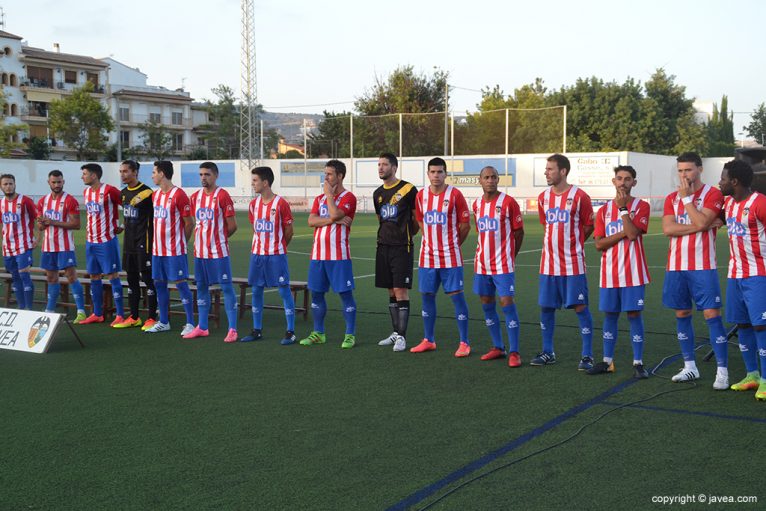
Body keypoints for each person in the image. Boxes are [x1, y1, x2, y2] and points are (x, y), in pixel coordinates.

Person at [662, 152, 728, 389]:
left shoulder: (713, 194)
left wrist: (689, 202)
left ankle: (722, 370)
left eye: (688, 170)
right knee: (681, 314)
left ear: (700, 169)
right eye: (680, 171)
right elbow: (668, 229)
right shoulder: (672, 197)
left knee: (712, 315)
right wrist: (701, 223)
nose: (684, 175)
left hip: (703, 267)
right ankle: (690, 366)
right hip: (676, 267)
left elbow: (702, 223)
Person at [587, 166, 650, 379]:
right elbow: (599, 244)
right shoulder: (603, 211)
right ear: (614, 181)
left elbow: (633, 235)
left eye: (628, 179)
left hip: (634, 272)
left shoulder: (641, 206)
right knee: (610, 315)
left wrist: (624, 210)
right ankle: (607, 361)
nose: (623, 182)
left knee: (633, 315)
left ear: (634, 183)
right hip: (610, 273)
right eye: (620, 178)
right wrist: (624, 230)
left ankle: (638, 363)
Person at [532, 153, 595, 369]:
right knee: (546, 308)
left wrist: (573, 244)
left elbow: (588, 226)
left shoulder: (580, 197)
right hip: (548, 265)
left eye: (550, 169)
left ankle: (587, 356)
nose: (546, 173)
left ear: (563, 171)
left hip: (573, 265)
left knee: (580, 307)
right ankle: (548, 352)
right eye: (546, 169)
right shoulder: (543, 198)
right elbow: (546, 225)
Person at [411, 157, 472, 356]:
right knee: (427, 296)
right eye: (433, 172)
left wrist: (452, 244)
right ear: (428, 174)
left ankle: (464, 342)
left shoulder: (455, 195)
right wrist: (431, 241)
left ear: (446, 174)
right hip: (427, 257)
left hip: (450, 257)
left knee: (457, 297)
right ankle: (429, 339)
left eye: (440, 172)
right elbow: (420, 221)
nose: (436, 175)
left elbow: (465, 226)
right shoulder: (421, 196)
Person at [718, 159, 766, 400]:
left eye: (723, 179)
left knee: (761, 325)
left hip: (759, 274)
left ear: (734, 182)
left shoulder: (760, 203)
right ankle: (752, 375)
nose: (720, 182)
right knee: (743, 324)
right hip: (734, 274)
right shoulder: (727, 203)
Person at [299, 159, 358, 349]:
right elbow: (311, 221)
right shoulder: (319, 199)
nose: (326, 178)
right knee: (316, 294)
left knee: (345, 295)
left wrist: (330, 198)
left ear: (340, 176)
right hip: (317, 256)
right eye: (325, 174)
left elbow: (334, 213)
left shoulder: (349, 197)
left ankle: (349, 335)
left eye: (330, 174)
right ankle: (318, 333)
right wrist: (333, 220)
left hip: (338, 256)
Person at [472, 166, 524, 366]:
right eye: (486, 177)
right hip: (482, 265)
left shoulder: (508, 202)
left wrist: (511, 256)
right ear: (480, 180)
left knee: (507, 304)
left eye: (494, 177)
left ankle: (515, 352)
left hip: (503, 265)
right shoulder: (476, 204)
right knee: (486, 303)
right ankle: (497, 346)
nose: (490, 180)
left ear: (498, 179)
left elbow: (519, 233)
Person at [242, 166, 297, 345]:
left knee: (283, 290)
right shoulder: (253, 205)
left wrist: (278, 247)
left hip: (276, 256)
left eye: (255, 180)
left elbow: (289, 231)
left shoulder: (280, 204)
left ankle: (290, 331)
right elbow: (255, 229)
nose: (252, 184)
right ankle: (257, 330)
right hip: (257, 255)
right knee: (256, 289)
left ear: (265, 182)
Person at [185, 162, 239, 342]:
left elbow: (232, 226)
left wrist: (219, 241)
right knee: (201, 287)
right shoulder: (195, 197)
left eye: (207, 174)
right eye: (201, 174)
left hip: (218, 253)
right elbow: (197, 224)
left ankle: (232, 329)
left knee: (226, 287)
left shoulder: (222, 196)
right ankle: (203, 326)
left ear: (215, 176)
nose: (203, 178)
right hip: (200, 253)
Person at [374, 152, 419, 352]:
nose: (381, 168)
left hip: (402, 247)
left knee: (401, 290)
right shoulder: (377, 194)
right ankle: (395, 332)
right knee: (391, 290)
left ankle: (402, 336)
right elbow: (380, 220)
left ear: (394, 167)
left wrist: (405, 235)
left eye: (384, 164)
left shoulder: (408, 189)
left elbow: (416, 219)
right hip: (383, 246)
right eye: (379, 165)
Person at [144, 161, 195, 335]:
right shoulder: (155, 195)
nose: (152, 176)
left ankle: (190, 323)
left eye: (154, 172)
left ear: (162, 173)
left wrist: (181, 242)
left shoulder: (179, 195)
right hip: (158, 251)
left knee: (181, 285)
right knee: (159, 284)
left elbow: (189, 223)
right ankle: (164, 321)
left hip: (175, 251)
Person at [113, 160, 158, 330]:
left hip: (143, 242)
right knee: (131, 278)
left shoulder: (147, 193)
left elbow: (155, 217)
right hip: (129, 242)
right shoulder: (123, 193)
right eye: (121, 171)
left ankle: (152, 317)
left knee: (147, 278)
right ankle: (134, 317)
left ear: (135, 172)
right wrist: (122, 227)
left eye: (125, 171)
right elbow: (128, 216)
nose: (122, 174)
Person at [36, 170, 87, 321]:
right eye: (54, 182)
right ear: (49, 183)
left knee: (71, 277)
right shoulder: (42, 201)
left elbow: (76, 224)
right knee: (51, 278)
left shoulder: (70, 200)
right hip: (48, 246)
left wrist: (52, 222)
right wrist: (42, 224)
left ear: (63, 182)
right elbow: (40, 227)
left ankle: (81, 311)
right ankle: (50, 310)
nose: (57, 185)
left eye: (59, 182)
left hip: (65, 246)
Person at [78, 163, 125, 325]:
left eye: (84, 174)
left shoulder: (110, 190)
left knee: (113, 276)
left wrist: (122, 225)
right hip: (91, 241)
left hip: (106, 241)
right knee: (94, 276)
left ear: (94, 175)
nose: (82, 177)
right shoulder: (86, 192)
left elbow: (129, 205)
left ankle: (120, 314)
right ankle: (97, 313)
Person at [0, 173, 37, 310]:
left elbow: (38, 219)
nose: (8, 187)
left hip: (23, 245)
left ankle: (29, 309)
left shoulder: (25, 201)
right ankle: (22, 309)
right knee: (16, 278)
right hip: (8, 248)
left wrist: (37, 239)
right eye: (5, 184)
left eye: (10, 183)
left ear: (15, 184)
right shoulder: (1, 204)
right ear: (1, 186)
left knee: (24, 274)